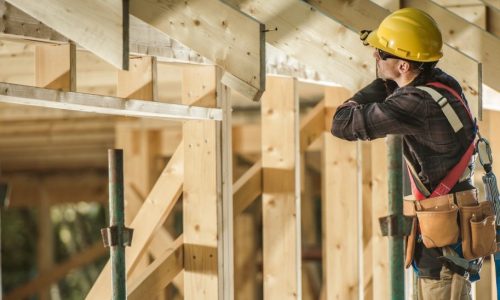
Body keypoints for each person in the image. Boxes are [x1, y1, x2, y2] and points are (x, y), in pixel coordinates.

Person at [331, 8, 481, 299]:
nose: (375, 56)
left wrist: (384, 82)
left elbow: (342, 123)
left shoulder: (414, 103)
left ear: (403, 66)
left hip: (442, 254)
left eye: (382, 53)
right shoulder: (441, 82)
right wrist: (392, 77)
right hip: (450, 235)